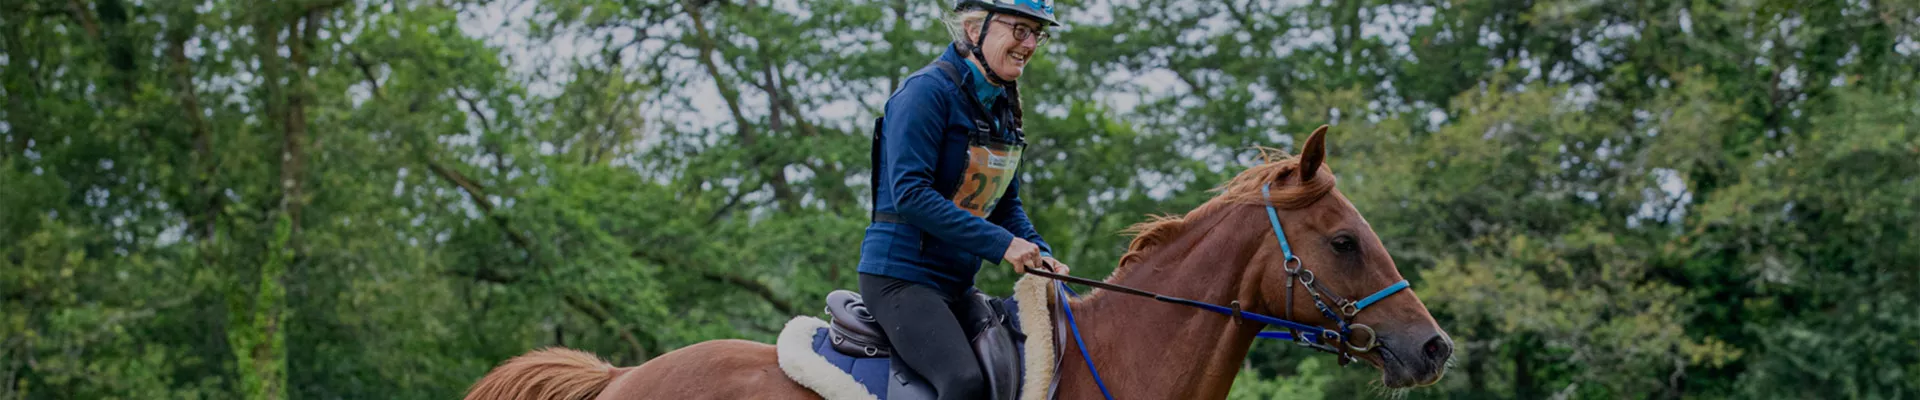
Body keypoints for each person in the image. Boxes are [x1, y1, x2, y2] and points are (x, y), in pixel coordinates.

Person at [856, 0, 1067, 398]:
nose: (1030, 43)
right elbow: (911, 196)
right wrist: (1003, 245)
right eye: (1020, 29)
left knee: (1022, 362)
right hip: (899, 280)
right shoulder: (925, 93)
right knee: (964, 383)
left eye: (1037, 33)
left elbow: (1006, 207)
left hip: (956, 284)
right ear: (975, 30)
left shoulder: (1001, 108)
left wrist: (1041, 252)